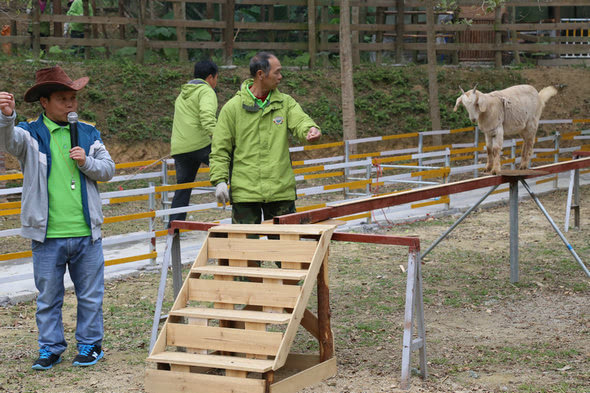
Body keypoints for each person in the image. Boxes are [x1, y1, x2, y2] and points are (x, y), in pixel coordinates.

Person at [0, 66, 115, 371]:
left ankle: (90, 345)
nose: (70, 105)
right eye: (63, 99)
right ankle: (50, 348)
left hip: (86, 234)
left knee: (90, 296)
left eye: (73, 99)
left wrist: (86, 161)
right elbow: (8, 142)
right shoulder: (29, 133)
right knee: (48, 298)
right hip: (46, 234)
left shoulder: (89, 133)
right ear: (44, 102)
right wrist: (6, 117)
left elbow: (108, 169)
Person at [209, 52, 321, 224]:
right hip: (245, 194)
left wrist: (310, 129)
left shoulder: (285, 103)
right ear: (261, 74)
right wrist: (220, 181)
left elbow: (301, 121)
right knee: (246, 249)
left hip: (280, 192)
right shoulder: (233, 108)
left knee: (282, 248)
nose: (280, 77)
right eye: (276, 72)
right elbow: (220, 149)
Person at [168, 59, 219, 227]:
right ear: (211, 77)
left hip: (180, 148)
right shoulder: (206, 91)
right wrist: (220, 138)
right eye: (216, 78)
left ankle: (174, 226)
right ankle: (242, 206)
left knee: (183, 188)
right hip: (200, 144)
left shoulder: (182, 94)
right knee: (233, 163)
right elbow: (207, 118)